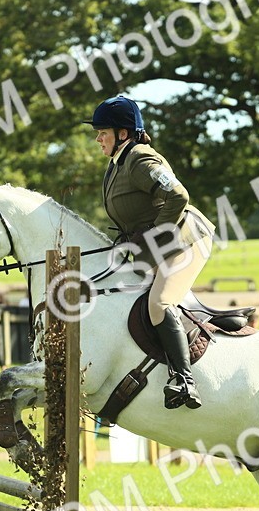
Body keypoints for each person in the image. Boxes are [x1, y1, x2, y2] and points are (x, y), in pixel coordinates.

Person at [87, 94, 215, 410]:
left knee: (160, 303)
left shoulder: (141, 159)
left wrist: (155, 237)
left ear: (124, 133)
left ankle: (185, 380)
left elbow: (177, 195)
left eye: (103, 132)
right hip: (162, 246)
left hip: (186, 240)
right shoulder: (116, 165)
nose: (98, 138)